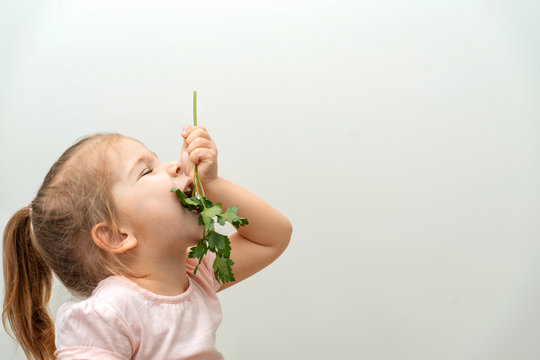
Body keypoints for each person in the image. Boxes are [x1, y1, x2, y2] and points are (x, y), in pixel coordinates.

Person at [2, 125, 292, 360]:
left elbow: (272, 238)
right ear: (116, 235)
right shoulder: (106, 316)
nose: (176, 166)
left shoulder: (196, 274)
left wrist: (213, 184)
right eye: (146, 171)